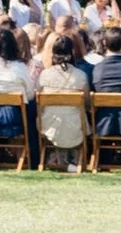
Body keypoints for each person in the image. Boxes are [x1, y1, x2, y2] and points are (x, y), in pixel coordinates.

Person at [37, 33, 90, 168]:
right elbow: (88, 103)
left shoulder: (45, 75)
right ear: (72, 52)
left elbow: (38, 101)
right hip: (76, 127)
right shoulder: (81, 75)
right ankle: (71, 159)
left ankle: (59, 158)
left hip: (50, 127)